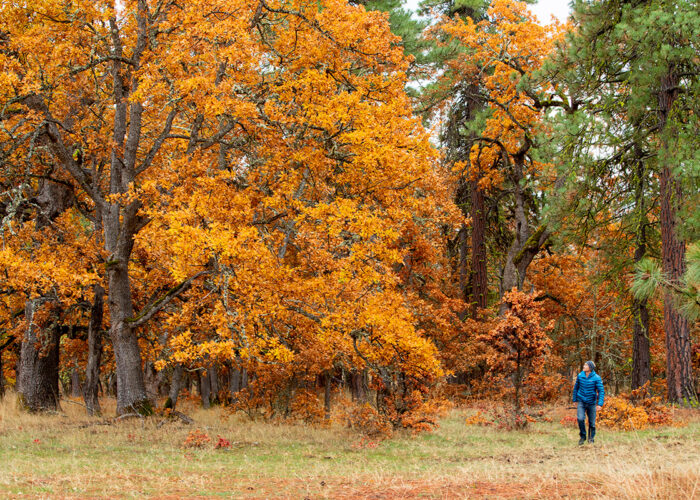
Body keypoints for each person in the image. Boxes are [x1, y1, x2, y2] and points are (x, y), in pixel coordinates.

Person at [572, 360, 604, 445]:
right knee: (580, 419)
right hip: (581, 402)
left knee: (592, 423)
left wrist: (600, 404)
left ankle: (591, 439)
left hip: (591, 403)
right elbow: (576, 388)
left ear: (590, 368)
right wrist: (574, 399)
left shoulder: (596, 378)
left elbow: (601, 391)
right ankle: (583, 436)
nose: (584, 366)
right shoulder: (580, 376)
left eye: (585, 365)